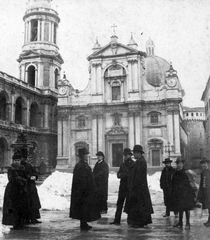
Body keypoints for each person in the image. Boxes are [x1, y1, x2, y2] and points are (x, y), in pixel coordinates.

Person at [69, 148, 101, 231]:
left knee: (84, 208)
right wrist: (89, 189)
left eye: (87, 154)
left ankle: (84, 223)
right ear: (82, 156)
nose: (87, 156)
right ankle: (83, 224)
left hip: (83, 191)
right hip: (84, 192)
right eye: (86, 154)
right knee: (84, 208)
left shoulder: (81, 165)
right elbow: (83, 180)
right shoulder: (82, 166)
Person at [124, 145, 154, 228]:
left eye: (134, 153)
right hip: (139, 188)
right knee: (139, 206)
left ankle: (139, 222)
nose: (133, 154)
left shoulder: (141, 162)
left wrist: (134, 187)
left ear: (138, 153)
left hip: (139, 188)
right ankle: (139, 221)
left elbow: (139, 176)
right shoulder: (139, 161)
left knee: (139, 206)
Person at [2, 151, 29, 230]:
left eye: (18, 160)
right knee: (12, 208)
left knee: (21, 207)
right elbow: (11, 179)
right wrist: (21, 180)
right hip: (12, 190)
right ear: (13, 161)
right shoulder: (11, 169)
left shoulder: (22, 168)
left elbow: (27, 178)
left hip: (21, 190)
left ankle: (20, 223)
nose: (17, 162)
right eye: (15, 160)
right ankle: (14, 223)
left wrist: (23, 180)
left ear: (20, 161)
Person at [110, 148, 135, 225]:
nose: (125, 156)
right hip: (122, 187)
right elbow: (118, 174)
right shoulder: (122, 164)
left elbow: (132, 175)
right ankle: (117, 220)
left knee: (130, 204)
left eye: (126, 155)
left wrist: (123, 175)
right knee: (119, 204)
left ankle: (130, 220)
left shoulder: (133, 164)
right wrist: (123, 175)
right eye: (124, 155)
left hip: (129, 187)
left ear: (130, 155)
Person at [170, 157, 196, 230]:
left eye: (180, 163)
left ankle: (188, 223)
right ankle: (180, 222)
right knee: (180, 208)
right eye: (178, 163)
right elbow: (173, 183)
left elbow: (189, 182)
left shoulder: (186, 172)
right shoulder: (175, 172)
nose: (179, 165)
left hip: (186, 193)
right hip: (178, 194)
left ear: (183, 164)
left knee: (186, 208)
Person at [21, 155, 42, 224]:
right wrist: (29, 177)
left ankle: (34, 218)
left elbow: (34, 172)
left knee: (33, 203)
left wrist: (35, 176)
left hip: (31, 186)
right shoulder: (20, 167)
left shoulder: (28, 165)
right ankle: (26, 219)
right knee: (26, 204)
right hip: (25, 186)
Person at [197, 157, 210, 227]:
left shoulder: (209, 171)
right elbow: (201, 183)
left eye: (205, 163)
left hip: (209, 191)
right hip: (205, 192)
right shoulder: (203, 172)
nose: (203, 165)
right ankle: (209, 220)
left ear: (207, 164)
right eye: (202, 164)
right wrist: (200, 192)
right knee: (208, 206)